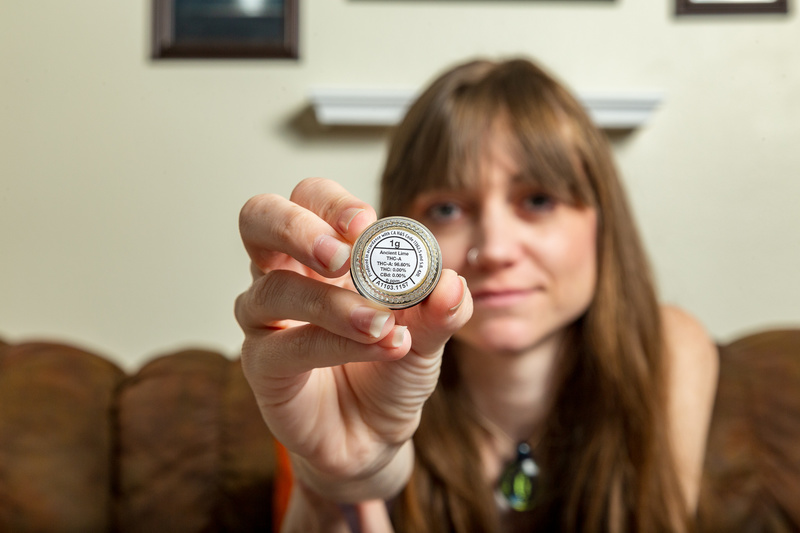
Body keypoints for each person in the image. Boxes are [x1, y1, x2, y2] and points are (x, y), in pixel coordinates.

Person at [235, 57, 719, 532]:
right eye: (446, 208)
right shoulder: (337, 373)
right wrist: (344, 479)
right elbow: (356, 468)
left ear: (602, 218)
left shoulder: (670, 350)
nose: (494, 250)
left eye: (536, 200)